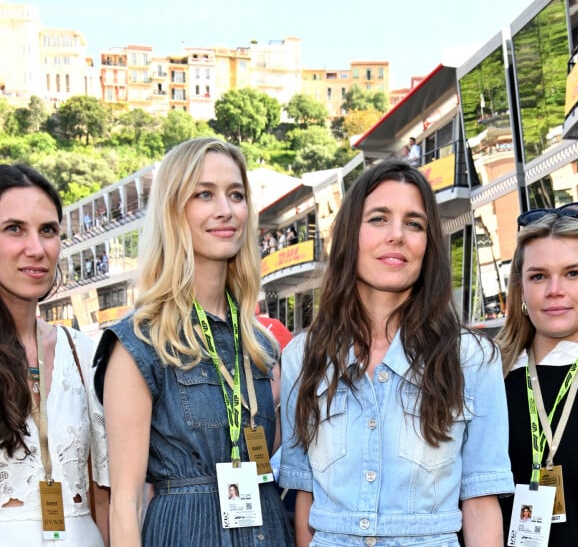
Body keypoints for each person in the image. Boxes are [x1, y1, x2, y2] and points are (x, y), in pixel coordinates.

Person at [280, 159, 514, 547]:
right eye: (378, 219)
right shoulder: (303, 357)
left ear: (429, 245)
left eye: (414, 223)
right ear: (349, 235)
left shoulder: (471, 359)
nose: (397, 235)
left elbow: (480, 503)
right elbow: (305, 499)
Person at [93, 137, 293, 546]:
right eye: (205, 194)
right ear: (173, 210)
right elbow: (126, 502)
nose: (226, 209)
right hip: (185, 531)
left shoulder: (259, 344)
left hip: (265, 527)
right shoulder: (139, 341)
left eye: (236, 195)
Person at [0, 164, 109, 546]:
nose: (37, 248)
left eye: (48, 230)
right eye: (14, 229)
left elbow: (104, 490)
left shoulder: (84, 353)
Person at [497, 204, 578, 545]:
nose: (554, 290)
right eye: (539, 276)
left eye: (573, 273)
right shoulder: (485, 378)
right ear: (520, 287)